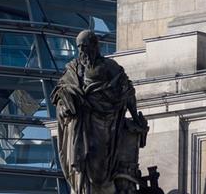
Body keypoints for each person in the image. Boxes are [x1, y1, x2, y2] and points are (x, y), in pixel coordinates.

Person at [53, 29, 148, 194]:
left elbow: (127, 91)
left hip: (105, 121)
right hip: (81, 122)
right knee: (82, 161)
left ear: (95, 45)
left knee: (100, 163)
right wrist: (64, 104)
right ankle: (83, 189)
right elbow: (60, 92)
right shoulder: (73, 68)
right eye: (79, 47)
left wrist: (135, 116)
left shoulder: (110, 67)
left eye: (85, 46)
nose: (81, 51)